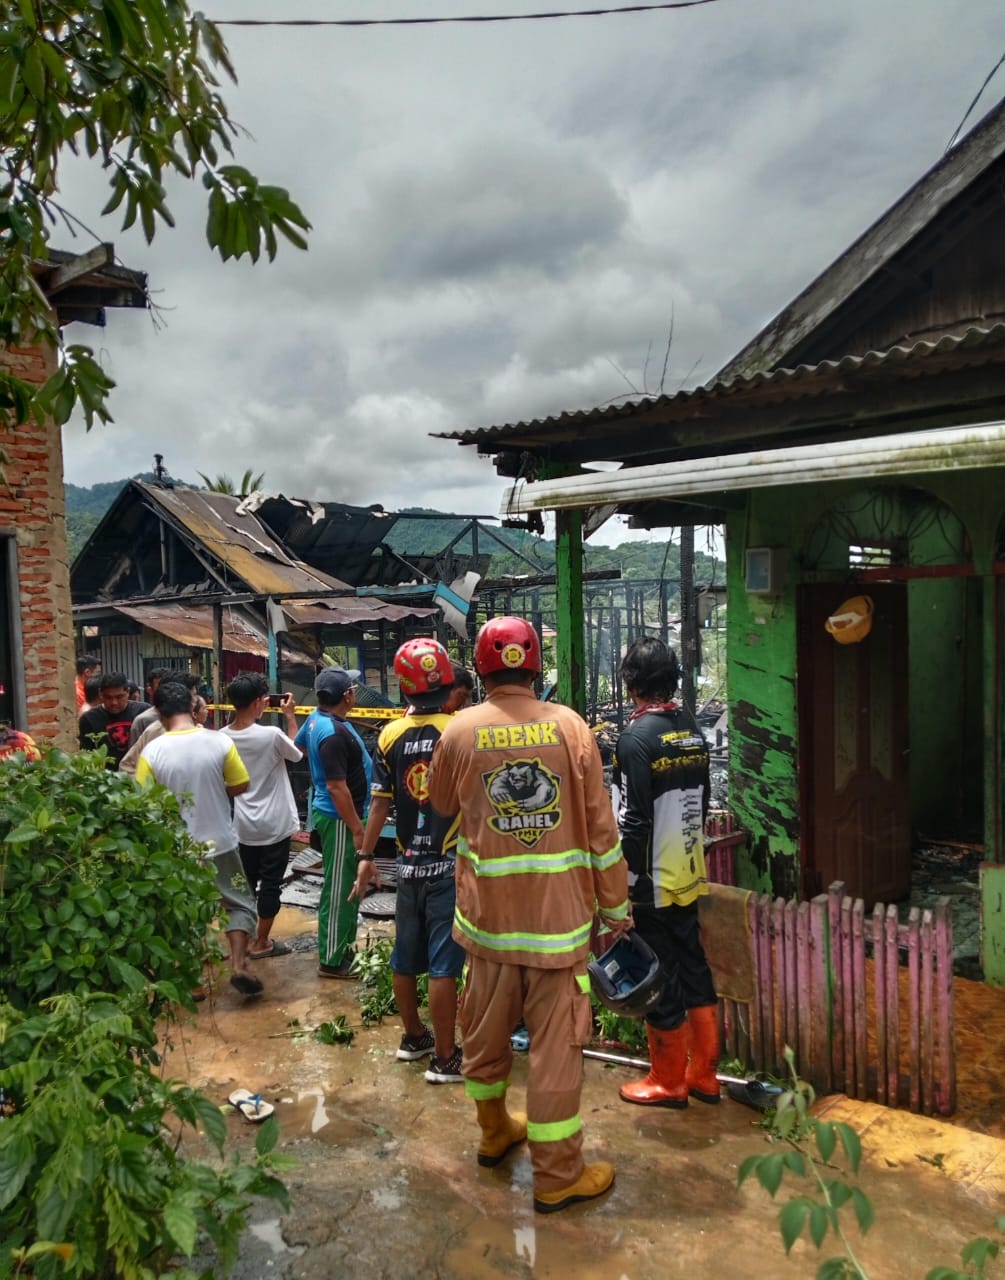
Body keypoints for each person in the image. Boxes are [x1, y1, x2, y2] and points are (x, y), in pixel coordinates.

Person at [428, 616, 631, 1215]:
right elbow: (601, 829)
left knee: (485, 1033)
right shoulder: (570, 727)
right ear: (536, 666)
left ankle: (494, 1131)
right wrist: (616, 906)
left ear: (481, 670)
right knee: (556, 1051)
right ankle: (559, 1175)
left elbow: (439, 802)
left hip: (487, 924)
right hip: (558, 928)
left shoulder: (460, 730)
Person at [350, 638, 465, 1085]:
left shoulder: (389, 734)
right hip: (449, 865)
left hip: (407, 864)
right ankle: (445, 1057)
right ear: (448, 683)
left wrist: (366, 856)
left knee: (404, 955)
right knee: (443, 965)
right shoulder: (459, 730)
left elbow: (379, 803)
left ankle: (414, 1037)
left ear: (404, 686)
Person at [611, 637, 718, 1109]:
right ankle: (705, 1076)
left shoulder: (636, 738)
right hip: (688, 869)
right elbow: (704, 799)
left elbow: (634, 821)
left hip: (650, 878)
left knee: (659, 975)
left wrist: (620, 882)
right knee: (693, 966)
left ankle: (668, 1080)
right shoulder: (690, 728)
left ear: (631, 683)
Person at [135, 681, 262, 997]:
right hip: (221, 843)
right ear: (192, 709)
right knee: (238, 903)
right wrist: (216, 787)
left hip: (177, 850)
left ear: (159, 713)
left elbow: (142, 803)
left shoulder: (152, 751)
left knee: (183, 910)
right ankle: (238, 965)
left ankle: (191, 983)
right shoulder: (219, 742)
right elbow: (241, 784)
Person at [295, 669, 371, 978]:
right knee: (339, 889)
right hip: (340, 819)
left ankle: (344, 948)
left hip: (338, 815)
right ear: (348, 696)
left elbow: (299, 746)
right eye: (353, 688)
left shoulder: (317, 719)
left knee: (348, 883)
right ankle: (331, 960)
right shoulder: (332, 733)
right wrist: (357, 829)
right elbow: (337, 788)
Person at [221, 672, 302, 960]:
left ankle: (243, 941)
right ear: (259, 702)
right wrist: (290, 716)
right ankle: (262, 942)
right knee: (271, 884)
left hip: (242, 826)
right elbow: (297, 753)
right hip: (275, 824)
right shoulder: (271, 735)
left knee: (245, 886)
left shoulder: (221, 738)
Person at [118, 672, 202, 778]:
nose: (196, 702)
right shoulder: (156, 730)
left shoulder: (199, 731)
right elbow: (127, 767)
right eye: (193, 697)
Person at [78, 673, 149, 769]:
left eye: (119, 697)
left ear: (128, 692)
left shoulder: (143, 711)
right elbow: (87, 755)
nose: (114, 702)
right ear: (100, 694)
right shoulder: (89, 719)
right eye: (108, 697)